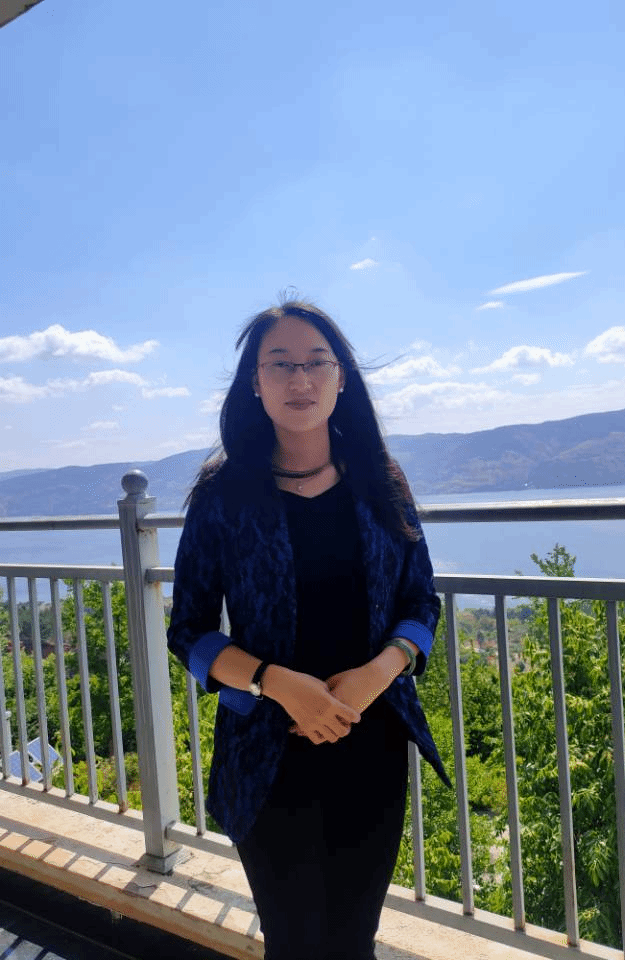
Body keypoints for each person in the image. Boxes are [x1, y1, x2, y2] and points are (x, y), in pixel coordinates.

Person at [167, 296, 452, 960]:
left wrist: (379, 672)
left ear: (341, 377)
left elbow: (421, 603)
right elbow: (189, 631)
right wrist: (275, 683)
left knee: (353, 940)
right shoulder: (223, 494)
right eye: (281, 364)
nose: (300, 379)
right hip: (268, 753)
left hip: (371, 739)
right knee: (294, 941)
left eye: (316, 362)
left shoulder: (381, 480)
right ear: (255, 382)